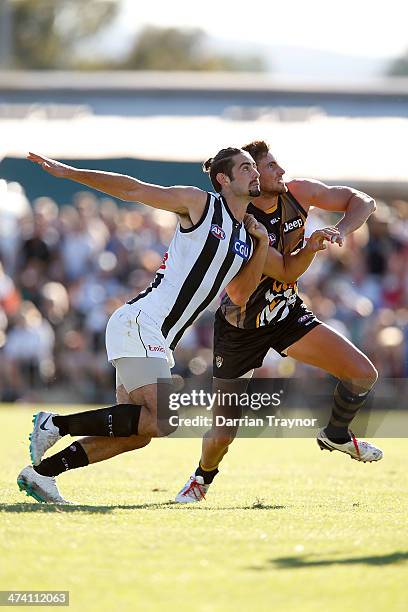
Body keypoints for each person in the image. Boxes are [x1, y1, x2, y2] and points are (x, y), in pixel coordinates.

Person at [17, 149, 336, 504]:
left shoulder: (247, 238)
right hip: (140, 322)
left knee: (137, 432)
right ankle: (56, 425)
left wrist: (262, 243)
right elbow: (134, 190)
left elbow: (242, 294)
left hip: (153, 334)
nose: (254, 173)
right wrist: (70, 173)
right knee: (164, 420)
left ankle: (43, 474)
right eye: (245, 168)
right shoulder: (200, 203)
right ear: (223, 180)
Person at [175, 140, 383, 503]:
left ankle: (335, 434)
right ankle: (202, 478)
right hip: (241, 328)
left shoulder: (298, 192)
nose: (280, 171)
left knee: (363, 373)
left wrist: (340, 231)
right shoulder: (242, 223)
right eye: (269, 166)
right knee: (223, 434)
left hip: (285, 314)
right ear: (252, 176)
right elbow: (287, 268)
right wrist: (312, 246)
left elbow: (363, 201)